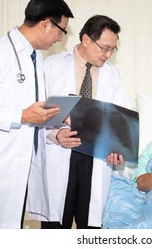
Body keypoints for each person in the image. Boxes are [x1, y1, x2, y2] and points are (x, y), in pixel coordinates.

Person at [0, 0, 74, 229]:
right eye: (61, 31)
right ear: (45, 24)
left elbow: (33, 111)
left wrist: (56, 119)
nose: (60, 39)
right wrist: (20, 116)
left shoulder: (36, 58)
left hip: (19, 171)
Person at [28, 15, 131, 229]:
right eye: (104, 48)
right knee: (55, 227)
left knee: (91, 228)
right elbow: (33, 112)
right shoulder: (51, 66)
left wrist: (117, 149)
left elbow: (121, 121)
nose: (108, 54)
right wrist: (55, 135)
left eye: (113, 49)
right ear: (86, 40)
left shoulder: (114, 76)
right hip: (60, 151)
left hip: (95, 157)